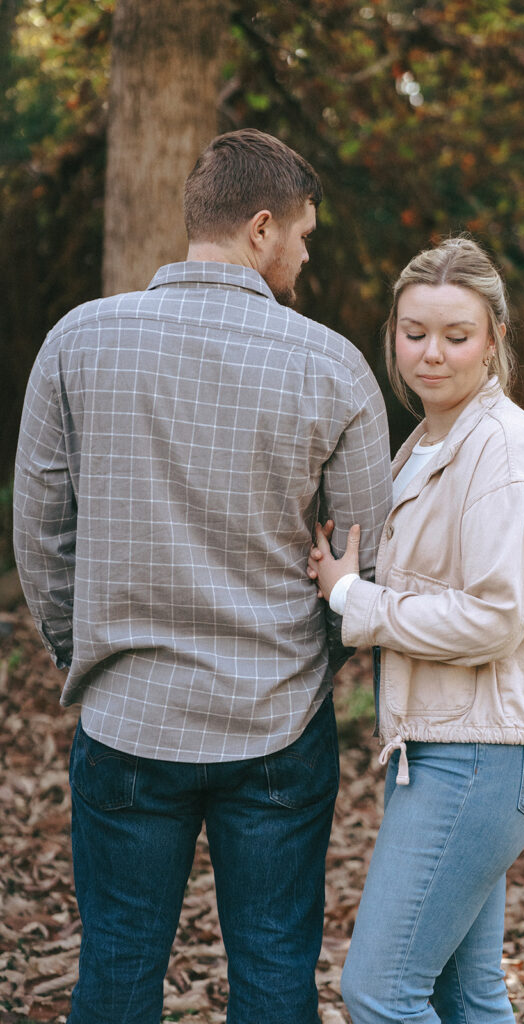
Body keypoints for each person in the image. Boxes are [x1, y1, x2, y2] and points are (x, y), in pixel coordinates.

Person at [13, 128, 392, 1024]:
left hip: (126, 719)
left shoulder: (77, 341)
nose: (304, 253)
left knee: (114, 972)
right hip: (274, 721)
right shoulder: (332, 365)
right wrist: (313, 661)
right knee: (270, 977)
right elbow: (365, 556)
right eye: (302, 234)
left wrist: (92, 654)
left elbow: (38, 536)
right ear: (261, 228)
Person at [308, 235, 524, 1023]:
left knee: (380, 994)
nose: (431, 355)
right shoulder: (430, 439)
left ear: (494, 338)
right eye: (413, 333)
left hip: (484, 757)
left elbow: (494, 618)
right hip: (447, 745)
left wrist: (354, 601)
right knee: (466, 995)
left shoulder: (505, 454)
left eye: (456, 336)